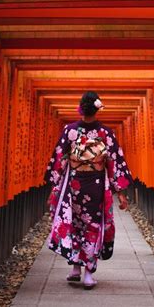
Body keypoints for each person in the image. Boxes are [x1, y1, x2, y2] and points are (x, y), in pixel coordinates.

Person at [44, 91, 133, 289]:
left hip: (74, 184)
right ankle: (86, 274)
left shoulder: (70, 130)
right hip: (95, 186)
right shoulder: (105, 133)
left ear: (81, 108)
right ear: (98, 109)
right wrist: (121, 193)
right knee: (92, 226)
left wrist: (54, 187)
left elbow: (60, 160)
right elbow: (114, 163)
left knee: (75, 224)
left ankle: (76, 267)